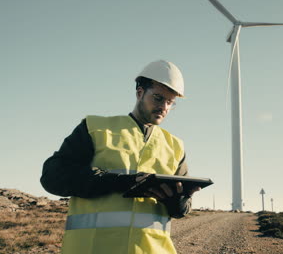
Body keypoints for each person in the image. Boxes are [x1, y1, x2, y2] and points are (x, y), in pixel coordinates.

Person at [41, 60, 200, 254]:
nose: (164, 107)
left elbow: (182, 208)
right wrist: (117, 182)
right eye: (158, 98)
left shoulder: (175, 146)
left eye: (170, 102)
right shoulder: (96, 128)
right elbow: (53, 176)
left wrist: (177, 203)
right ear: (140, 92)